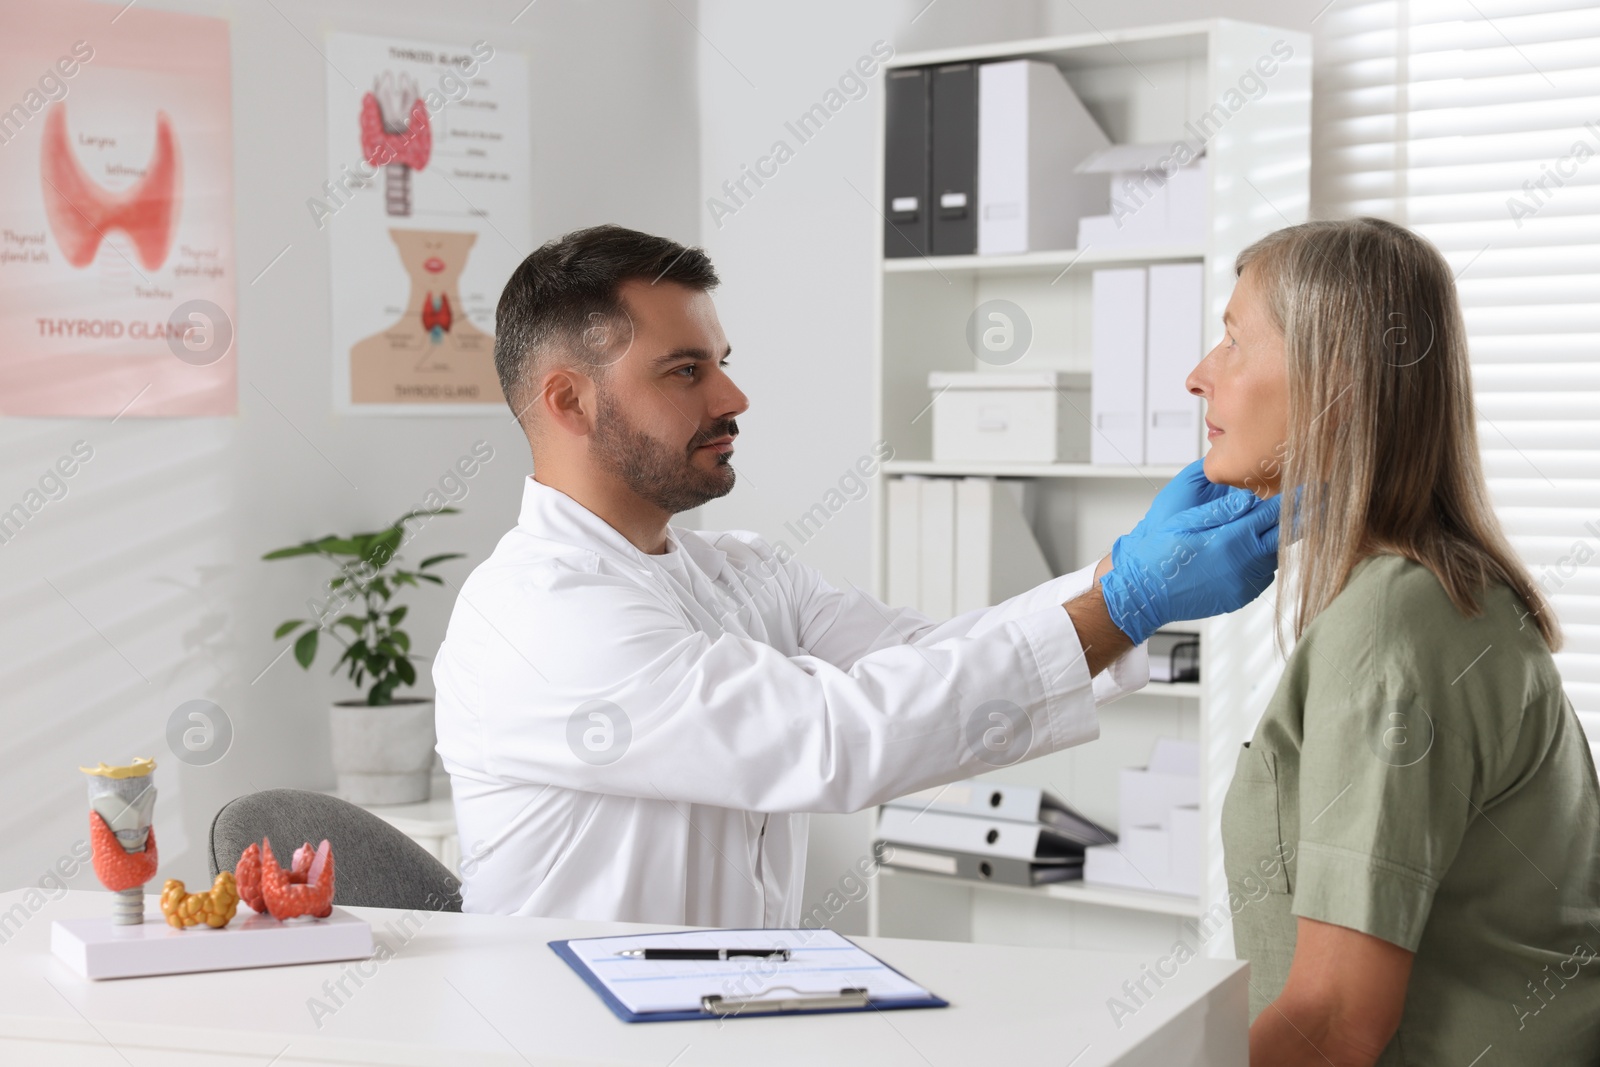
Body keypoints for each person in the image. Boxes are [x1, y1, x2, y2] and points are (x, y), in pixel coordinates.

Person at [433, 224, 1280, 927]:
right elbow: (834, 734)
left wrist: (1122, 569)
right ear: (569, 401)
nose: (734, 396)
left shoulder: (737, 573)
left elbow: (931, 657)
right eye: (687, 369)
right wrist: (1125, 601)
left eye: (721, 360)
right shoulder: (538, 617)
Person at [1192, 216, 1600, 1065]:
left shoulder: (1393, 624)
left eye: (1233, 341)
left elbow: (1336, 1018)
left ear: (1332, 376)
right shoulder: (1439, 595)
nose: (1199, 377)